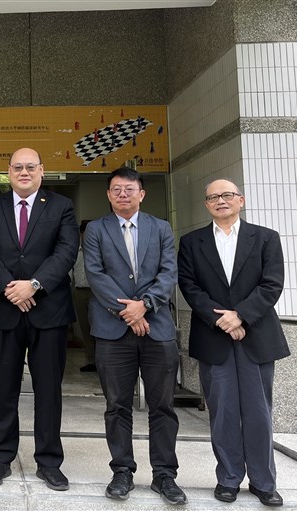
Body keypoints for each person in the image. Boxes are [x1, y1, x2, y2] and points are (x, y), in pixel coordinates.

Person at [178, 179, 288, 507]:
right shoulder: (192, 241)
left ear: (240, 199)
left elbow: (272, 283)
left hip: (256, 336)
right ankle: (228, 478)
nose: (220, 201)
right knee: (223, 411)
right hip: (214, 337)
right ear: (207, 204)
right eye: (213, 197)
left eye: (227, 195)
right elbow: (189, 285)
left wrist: (240, 316)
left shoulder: (266, 238)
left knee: (258, 412)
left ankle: (263, 482)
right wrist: (221, 319)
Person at [0, 147, 78, 490]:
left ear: (42, 171)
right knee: (3, 389)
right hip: (4, 311)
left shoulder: (60, 206)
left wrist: (33, 286)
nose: (24, 172)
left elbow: (66, 251)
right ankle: (0, 457)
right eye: (17, 167)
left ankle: (49, 461)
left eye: (30, 167)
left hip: (48, 311)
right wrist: (9, 287)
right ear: (7, 172)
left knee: (48, 390)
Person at [84, 167, 186, 505]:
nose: (123, 194)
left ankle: (164, 474)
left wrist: (145, 306)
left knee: (163, 406)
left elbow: (168, 272)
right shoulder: (97, 230)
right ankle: (122, 472)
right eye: (116, 189)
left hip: (157, 329)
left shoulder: (160, 228)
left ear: (141, 193)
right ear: (109, 195)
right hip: (113, 332)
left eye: (129, 189)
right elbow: (95, 275)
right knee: (117, 405)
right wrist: (127, 312)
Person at [73, 220, 95, 372]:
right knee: (84, 328)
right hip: (79, 292)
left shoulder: (99, 249)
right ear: (81, 234)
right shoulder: (75, 251)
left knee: (98, 327)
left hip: (97, 293)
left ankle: (103, 360)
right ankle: (91, 360)